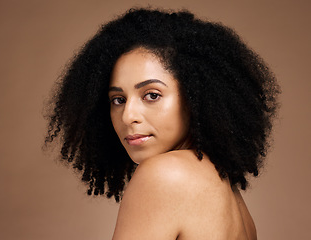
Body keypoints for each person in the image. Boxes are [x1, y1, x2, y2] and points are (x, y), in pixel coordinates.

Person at [45, 8, 280, 240]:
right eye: (118, 99)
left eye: (152, 95)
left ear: (194, 97)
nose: (128, 116)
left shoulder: (164, 175)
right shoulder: (227, 189)